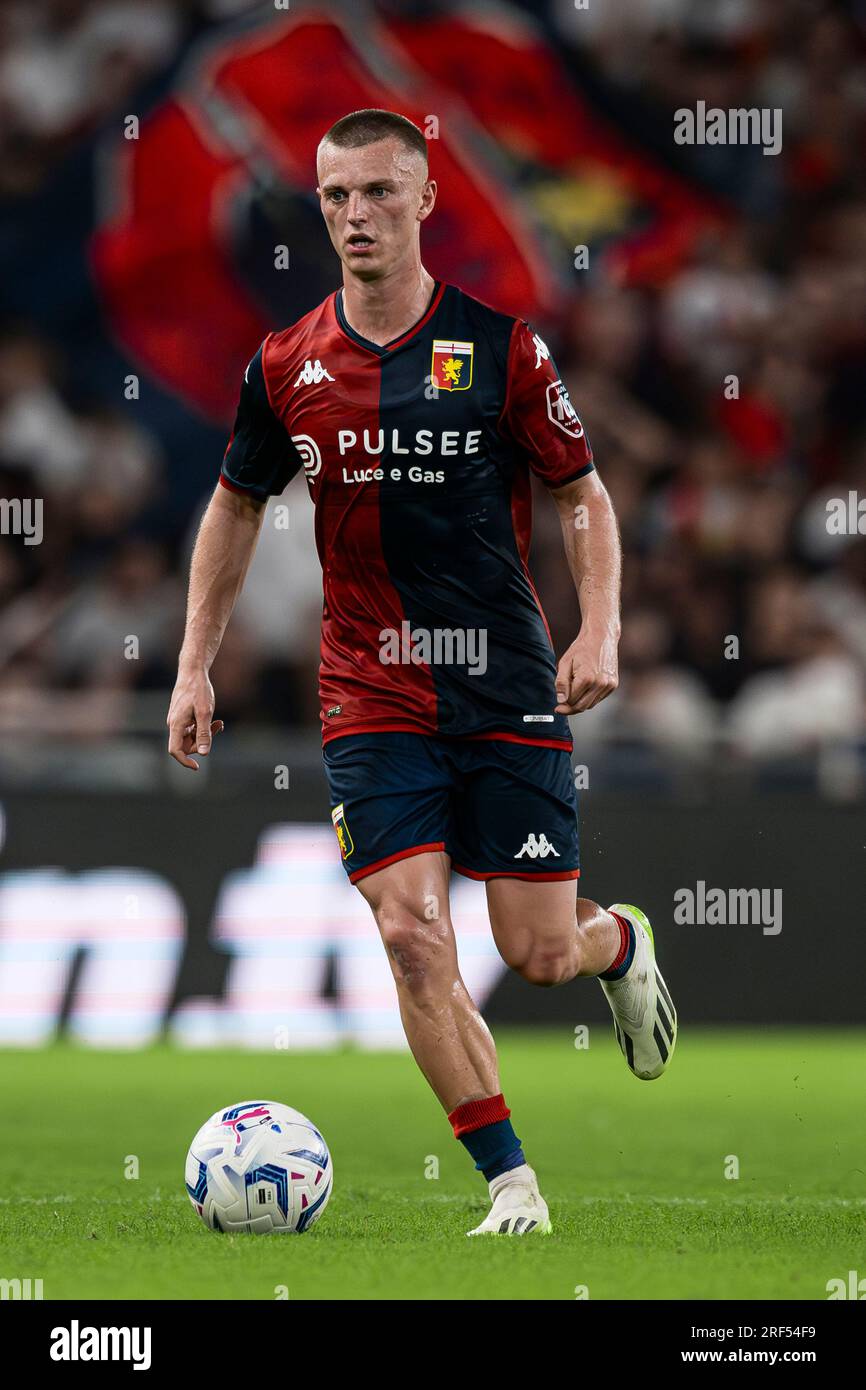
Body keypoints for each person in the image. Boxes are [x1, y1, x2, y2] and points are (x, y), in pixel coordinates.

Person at [167, 108, 677, 1237]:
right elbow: (235, 502)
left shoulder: (502, 347)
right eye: (337, 196)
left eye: (380, 194)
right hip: (369, 689)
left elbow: (580, 492)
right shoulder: (286, 363)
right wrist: (192, 664)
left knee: (537, 957)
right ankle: (511, 1183)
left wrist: (599, 630)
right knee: (408, 932)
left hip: (503, 685)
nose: (356, 215)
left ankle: (618, 941)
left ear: (426, 200)